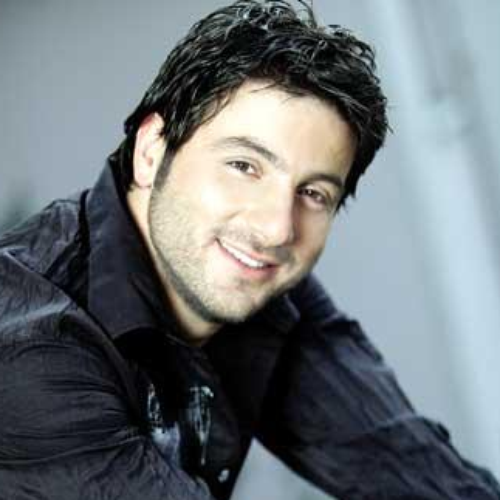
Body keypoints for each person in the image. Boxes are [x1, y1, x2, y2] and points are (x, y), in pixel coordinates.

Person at [0, 1, 498, 499]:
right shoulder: (30, 348)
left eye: (313, 193)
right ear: (152, 150)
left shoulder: (257, 284)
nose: (277, 229)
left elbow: (421, 476)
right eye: (244, 166)